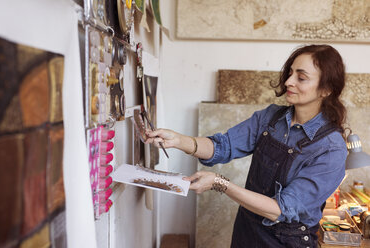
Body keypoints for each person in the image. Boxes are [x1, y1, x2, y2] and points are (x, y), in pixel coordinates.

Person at [146, 44, 347, 248]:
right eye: (290, 73)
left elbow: (280, 209)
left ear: (326, 89)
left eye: (301, 78)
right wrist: (179, 140)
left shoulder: (331, 149)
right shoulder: (270, 118)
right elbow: (222, 147)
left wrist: (220, 183)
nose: (288, 81)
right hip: (247, 232)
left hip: (286, 242)